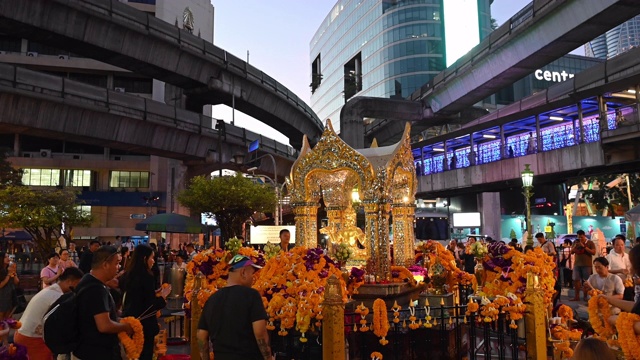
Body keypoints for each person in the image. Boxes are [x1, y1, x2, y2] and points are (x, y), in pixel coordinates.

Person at [196, 255, 270, 360]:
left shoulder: (212, 299)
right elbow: (260, 332)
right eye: (252, 273)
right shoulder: (252, 295)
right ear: (243, 272)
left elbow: (201, 336)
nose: (253, 278)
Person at [73, 246, 133, 360]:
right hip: (95, 353)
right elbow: (104, 325)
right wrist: (126, 326)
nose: (118, 267)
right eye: (117, 263)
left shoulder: (87, 280)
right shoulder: (96, 289)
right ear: (105, 265)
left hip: (85, 350)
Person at [14, 267, 84, 360]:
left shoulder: (52, 290)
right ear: (70, 281)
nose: (77, 288)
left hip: (22, 333)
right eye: (77, 284)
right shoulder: (57, 297)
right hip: (32, 338)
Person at [121, 244, 171, 360]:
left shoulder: (128, 275)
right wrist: (163, 296)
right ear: (144, 259)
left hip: (130, 321)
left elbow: (138, 296)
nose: (153, 261)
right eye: (152, 258)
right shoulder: (146, 277)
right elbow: (150, 305)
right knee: (144, 354)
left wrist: (153, 292)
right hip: (144, 325)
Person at [570, 230, 596, 301]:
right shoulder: (575, 242)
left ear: (584, 235)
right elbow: (571, 252)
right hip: (577, 264)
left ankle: (585, 297)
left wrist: (584, 247)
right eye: (579, 237)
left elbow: (593, 252)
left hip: (587, 265)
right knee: (576, 280)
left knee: (586, 281)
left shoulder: (590, 242)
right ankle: (577, 296)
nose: (580, 239)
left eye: (581, 237)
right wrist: (575, 246)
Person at [0, 252, 19, 322]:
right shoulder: (2, 271)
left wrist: (14, 272)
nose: (8, 258)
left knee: (8, 318)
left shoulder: (9, 268)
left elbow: (16, 282)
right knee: (1, 318)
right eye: (5, 257)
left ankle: (6, 332)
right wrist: (8, 274)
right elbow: (1, 285)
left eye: (8, 256)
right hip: (2, 296)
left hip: (10, 294)